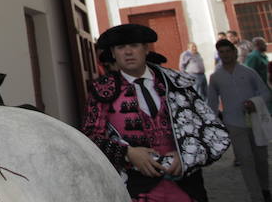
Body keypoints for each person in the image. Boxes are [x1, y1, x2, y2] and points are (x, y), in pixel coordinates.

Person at [82, 24, 229, 202]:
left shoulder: (177, 83)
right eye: (121, 47)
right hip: (136, 187)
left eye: (134, 46)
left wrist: (186, 156)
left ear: (145, 49)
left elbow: (214, 132)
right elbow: (90, 137)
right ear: (113, 53)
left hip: (186, 185)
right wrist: (128, 153)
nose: (128, 52)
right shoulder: (102, 89)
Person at [208, 39, 272, 202]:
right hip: (234, 123)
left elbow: (266, 93)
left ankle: (265, 188)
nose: (225, 55)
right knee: (246, 159)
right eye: (221, 52)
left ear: (234, 52)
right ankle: (256, 195)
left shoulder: (248, 72)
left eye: (228, 51)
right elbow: (212, 103)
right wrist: (213, 124)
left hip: (255, 121)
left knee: (261, 159)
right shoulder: (216, 77)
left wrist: (254, 102)